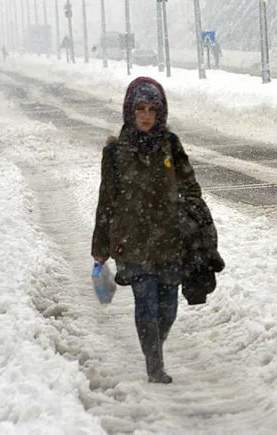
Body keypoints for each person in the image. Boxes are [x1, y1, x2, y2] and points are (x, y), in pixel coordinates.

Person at [91, 76, 222, 384]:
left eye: (152, 109)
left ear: (160, 112)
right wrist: (100, 246)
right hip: (132, 242)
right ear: (130, 111)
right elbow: (106, 199)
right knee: (146, 304)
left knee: (168, 309)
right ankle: (154, 365)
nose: (146, 115)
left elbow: (191, 187)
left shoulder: (170, 144)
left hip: (170, 241)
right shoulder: (115, 152)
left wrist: (192, 217)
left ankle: (155, 347)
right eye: (140, 108)